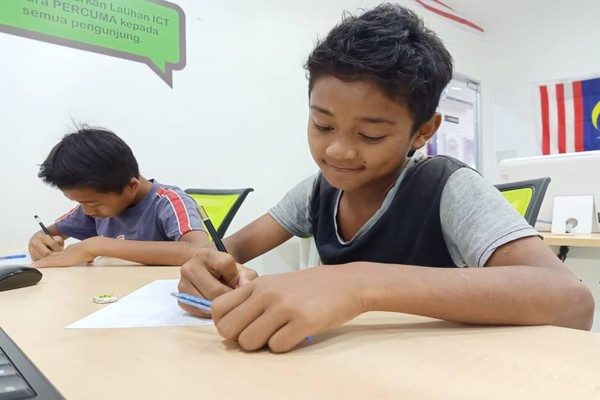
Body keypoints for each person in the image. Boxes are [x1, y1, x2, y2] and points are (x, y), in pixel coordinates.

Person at [178, 3, 595, 352]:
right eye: (323, 125)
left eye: (371, 135)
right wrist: (208, 267)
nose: (338, 151)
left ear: (423, 131)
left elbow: (572, 301)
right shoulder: (317, 190)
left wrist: (359, 282)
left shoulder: (446, 187)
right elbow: (232, 249)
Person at [29, 127, 209, 267]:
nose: (87, 211)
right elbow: (49, 233)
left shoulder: (169, 202)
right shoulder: (94, 209)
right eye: (79, 203)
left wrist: (95, 246)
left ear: (131, 186)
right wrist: (39, 241)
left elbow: (199, 251)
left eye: (92, 203)